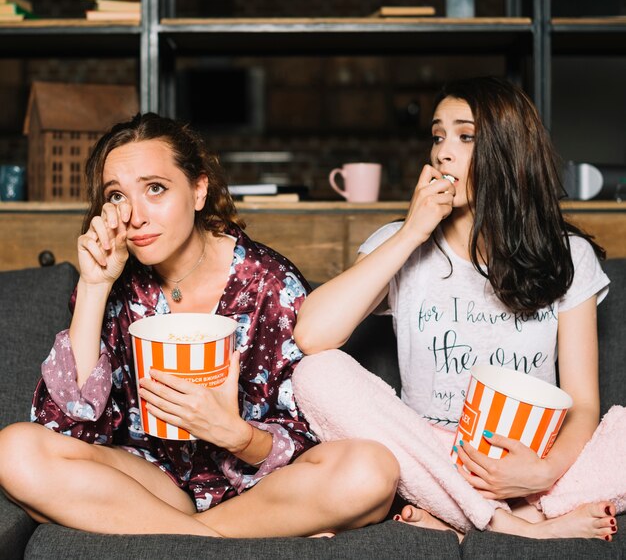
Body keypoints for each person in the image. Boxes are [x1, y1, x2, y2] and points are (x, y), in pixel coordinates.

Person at [0, 113, 399, 538]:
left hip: (256, 487)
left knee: (371, 472)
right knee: (13, 450)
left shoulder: (269, 284)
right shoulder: (116, 283)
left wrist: (238, 436)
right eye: (117, 196)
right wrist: (95, 285)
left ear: (198, 190)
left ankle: (175, 535)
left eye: (155, 189)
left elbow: (310, 432)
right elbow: (67, 427)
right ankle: (208, 540)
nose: (134, 215)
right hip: (152, 483)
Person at [292, 77, 624, 541]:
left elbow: (584, 404)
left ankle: (462, 513)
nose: (442, 153)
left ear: (508, 152)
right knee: (315, 374)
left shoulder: (568, 256)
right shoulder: (404, 243)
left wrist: (542, 473)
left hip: (528, 460)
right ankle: (510, 522)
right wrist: (411, 233)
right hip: (431, 455)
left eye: (465, 137)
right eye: (437, 136)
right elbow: (311, 336)